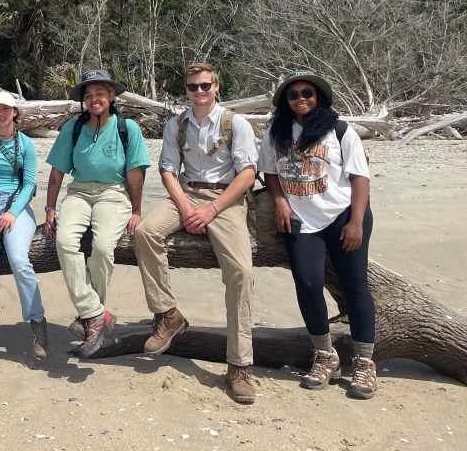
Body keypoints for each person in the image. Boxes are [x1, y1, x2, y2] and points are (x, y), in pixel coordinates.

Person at [132, 62, 258, 403]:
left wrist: (212, 210)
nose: (199, 92)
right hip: (186, 194)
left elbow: (247, 174)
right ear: (186, 90)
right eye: (193, 87)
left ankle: (239, 365)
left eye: (205, 86)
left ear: (217, 86)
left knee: (241, 273)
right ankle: (168, 314)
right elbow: (168, 170)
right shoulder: (177, 124)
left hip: (226, 198)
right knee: (145, 233)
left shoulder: (237, 123)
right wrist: (187, 208)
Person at [259, 71, 376, 399]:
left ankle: (365, 362)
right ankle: (325, 355)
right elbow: (269, 172)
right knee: (308, 284)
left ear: (319, 96)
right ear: (285, 101)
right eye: (293, 94)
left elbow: (359, 178)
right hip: (300, 221)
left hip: (341, 217)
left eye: (307, 93)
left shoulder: (340, 131)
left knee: (355, 286)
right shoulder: (274, 133)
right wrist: (280, 202)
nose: (301, 99)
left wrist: (356, 222)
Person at [44, 69, 150, 358]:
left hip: (114, 194)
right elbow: (56, 173)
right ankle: (96, 314)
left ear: (112, 96)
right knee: (65, 241)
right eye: (88, 95)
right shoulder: (73, 129)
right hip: (78, 191)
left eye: (100, 93)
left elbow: (135, 174)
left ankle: (91, 318)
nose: (94, 99)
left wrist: (137, 211)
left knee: (103, 247)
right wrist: (51, 207)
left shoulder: (128, 129)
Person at [0, 91, 46, 364]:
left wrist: (13, 213)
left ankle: (37, 322)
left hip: (17, 207)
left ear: (15, 112)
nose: (1, 114)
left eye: (6, 109)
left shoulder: (25, 143)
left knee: (19, 261)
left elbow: (28, 184)